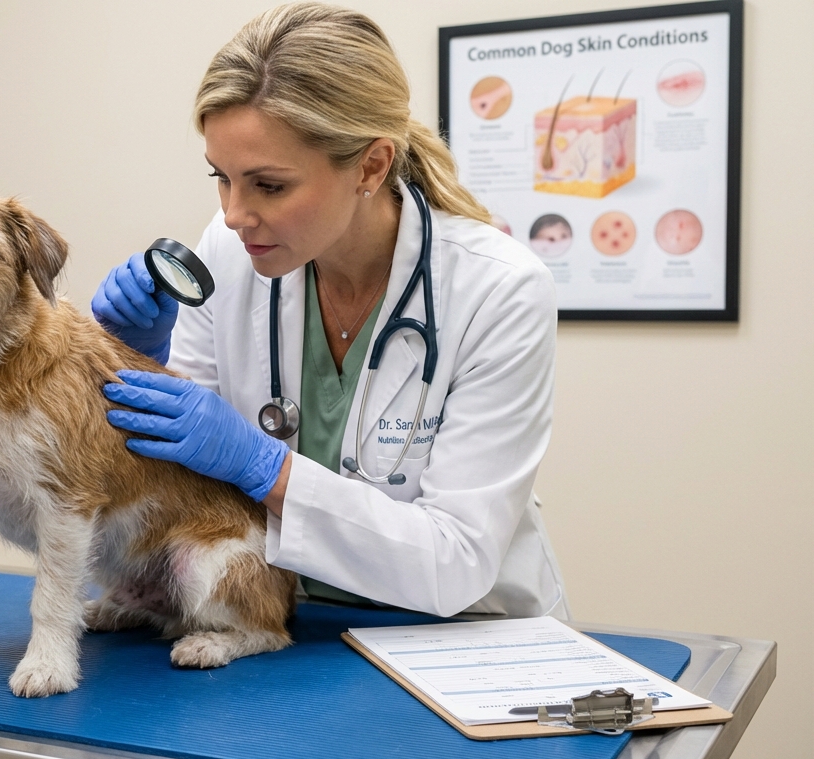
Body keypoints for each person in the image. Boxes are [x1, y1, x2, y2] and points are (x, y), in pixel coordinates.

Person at [94, 2, 566, 618]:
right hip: (286, 623)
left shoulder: (499, 290)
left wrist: (263, 466)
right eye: (222, 177)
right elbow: (185, 487)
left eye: (269, 185)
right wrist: (134, 361)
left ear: (371, 165)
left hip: (465, 635)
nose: (235, 214)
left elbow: (455, 561)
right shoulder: (233, 250)